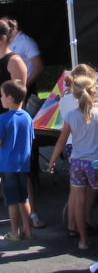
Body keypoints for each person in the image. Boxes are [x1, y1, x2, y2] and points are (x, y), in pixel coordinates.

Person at [48, 75, 98, 250]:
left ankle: (83, 240)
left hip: (77, 163)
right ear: (94, 92)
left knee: (78, 201)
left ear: (75, 95)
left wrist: (52, 162)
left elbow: (61, 142)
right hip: (94, 163)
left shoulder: (70, 115)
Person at [59, 64, 98, 239]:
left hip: (70, 147)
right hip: (82, 147)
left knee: (75, 190)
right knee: (88, 189)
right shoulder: (86, 101)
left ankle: (72, 225)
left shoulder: (64, 99)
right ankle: (84, 222)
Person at [0, 79, 34, 241]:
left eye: (2, 95)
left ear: (10, 98)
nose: (0, 98)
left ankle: (15, 232)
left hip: (8, 165)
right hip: (23, 164)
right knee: (23, 197)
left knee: (11, 200)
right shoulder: (27, 117)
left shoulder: (3, 119)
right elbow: (30, 138)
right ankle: (27, 229)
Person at [2, 17, 44, 97]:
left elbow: (39, 67)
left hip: (24, 89)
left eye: (3, 27)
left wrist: (23, 86)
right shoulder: (6, 42)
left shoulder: (26, 42)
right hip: (8, 90)